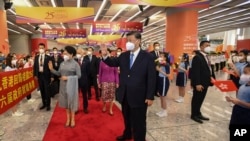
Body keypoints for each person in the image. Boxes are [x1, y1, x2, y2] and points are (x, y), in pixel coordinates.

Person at [101, 31, 156, 141]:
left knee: (139, 121)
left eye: (130, 40)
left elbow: (151, 77)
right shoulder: (124, 55)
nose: (128, 43)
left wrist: (150, 96)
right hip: (125, 94)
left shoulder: (147, 57)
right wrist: (105, 54)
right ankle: (127, 134)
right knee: (126, 118)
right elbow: (112, 63)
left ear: (138, 41)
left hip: (139, 96)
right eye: (127, 41)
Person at [49, 46, 81, 127]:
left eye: (66, 53)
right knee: (66, 103)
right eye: (64, 54)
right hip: (63, 86)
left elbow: (79, 75)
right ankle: (68, 118)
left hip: (72, 86)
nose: (64, 55)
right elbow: (59, 73)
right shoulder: (62, 63)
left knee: (72, 102)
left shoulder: (75, 64)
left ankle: (73, 118)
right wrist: (52, 69)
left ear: (71, 54)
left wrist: (68, 78)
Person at [190, 41, 215, 124]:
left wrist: (212, 77)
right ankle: (194, 115)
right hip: (199, 83)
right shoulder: (197, 57)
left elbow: (209, 68)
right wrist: (197, 83)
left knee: (201, 99)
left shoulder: (206, 57)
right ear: (201, 47)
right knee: (196, 99)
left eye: (209, 45)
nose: (208, 47)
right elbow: (195, 72)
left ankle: (198, 113)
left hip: (206, 82)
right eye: (206, 45)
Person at [226, 64, 250, 138]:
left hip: (246, 115)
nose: (243, 75)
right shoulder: (243, 85)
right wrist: (233, 100)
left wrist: (239, 102)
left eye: (246, 73)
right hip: (237, 112)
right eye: (243, 73)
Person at [98, 48, 119, 116]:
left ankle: (110, 109)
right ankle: (104, 105)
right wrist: (99, 82)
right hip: (104, 81)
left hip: (112, 81)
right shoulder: (102, 62)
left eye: (107, 52)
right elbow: (100, 73)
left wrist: (117, 82)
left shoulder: (114, 62)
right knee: (104, 95)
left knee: (112, 96)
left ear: (110, 53)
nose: (106, 53)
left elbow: (116, 73)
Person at [33, 43, 52, 111]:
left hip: (46, 76)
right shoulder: (37, 57)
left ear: (44, 48)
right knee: (42, 91)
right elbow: (35, 67)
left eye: (42, 48)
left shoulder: (48, 57)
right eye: (40, 48)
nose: (41, 49)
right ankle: (44, 103)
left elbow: (51, 68)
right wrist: (35, 75)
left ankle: (48, 105)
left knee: (47, 91)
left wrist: (51, 76)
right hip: (39, 76)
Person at [155, 52, 170, 117]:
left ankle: (165, 112)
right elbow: (156, 68)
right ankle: (162, 110)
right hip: (160, 79)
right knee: (161, 96)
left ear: (165, 58)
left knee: (163, 97)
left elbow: (168, 75)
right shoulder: (160, 63)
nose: (160, 57)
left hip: (164, 80)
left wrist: (159, 70)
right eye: (160, 56)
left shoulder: (166, 64)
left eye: (162, 56)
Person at [76, 47, 90, 114]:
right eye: (77, 53)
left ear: (82, 53)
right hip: (75, 81)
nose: (78, 54)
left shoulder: (87, 61)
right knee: (76, 96)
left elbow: (88, 72)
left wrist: (86, 80)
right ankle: (76, 108)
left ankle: (85, 108)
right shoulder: (74, 61)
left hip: (84, 81)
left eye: (79, 53)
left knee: (85, 95)